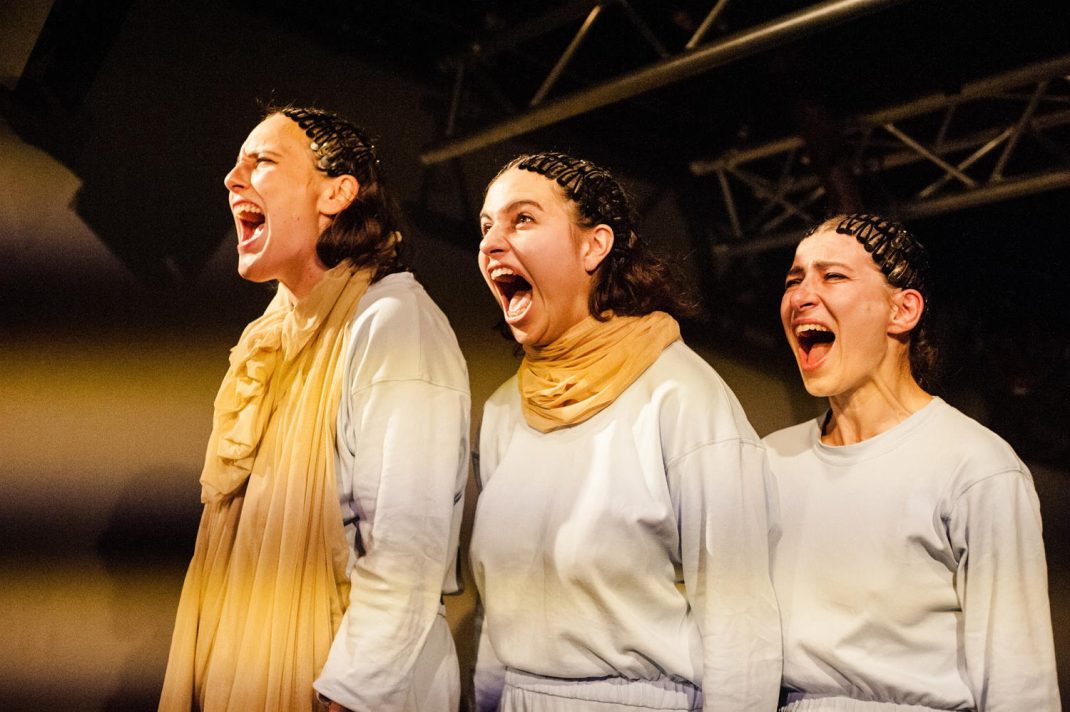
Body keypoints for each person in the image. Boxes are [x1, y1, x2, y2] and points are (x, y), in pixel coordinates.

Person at [159, 106, 469, 712]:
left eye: (262, 162)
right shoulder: (275, 336)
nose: (231, 179)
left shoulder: (394, 322)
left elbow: (407, 547)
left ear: (336, 193)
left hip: (346, 685)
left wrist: (350, 694)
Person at [469, 152, 781, 712]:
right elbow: (498, 615)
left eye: (522, 219)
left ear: (594, 246)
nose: (492, 244)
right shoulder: (503, 412)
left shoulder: (681, 396)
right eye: (487, 226)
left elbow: (739, 620)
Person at [767, 213, 1060, 711]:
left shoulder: (976, 467)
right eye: (794, 280)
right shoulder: (770, 460)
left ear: (902, 310)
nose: (802, 296)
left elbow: (1018, 679)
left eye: (832, 276)